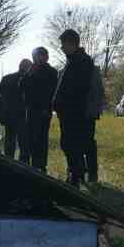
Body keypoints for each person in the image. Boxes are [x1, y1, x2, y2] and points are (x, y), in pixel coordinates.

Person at [54, 30, 99, 184]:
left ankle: (78, 175)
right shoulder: (72, 60)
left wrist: (65, 104)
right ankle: (76, 173)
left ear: (71, 43)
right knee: (70, 144)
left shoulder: (82, 61)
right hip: (68, 113)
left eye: (63, 44)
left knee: (77, 144)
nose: (61, 47)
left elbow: (78, 89)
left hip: (77, 113)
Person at [21, 47, 57, 173]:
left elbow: (51, 91)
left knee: (41, 137)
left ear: (46, 57)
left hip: (44, 110)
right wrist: (29, 73)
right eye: (36, 56)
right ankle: (33, 163)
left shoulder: (52, 72)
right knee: (30, 137)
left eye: (41, 56)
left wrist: (47, 107)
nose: (38, 59)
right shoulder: (31, 70)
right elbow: (21, 85)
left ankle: (41, 165)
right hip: (31, 109)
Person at [0, 58, 31, 162]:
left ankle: (9, 163)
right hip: (23, 115)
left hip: (9, 114)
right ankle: (24, 165)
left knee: (9, 141)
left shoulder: (6, 79)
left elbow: (0, 98)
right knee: (24, 143)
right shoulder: (29, 79)